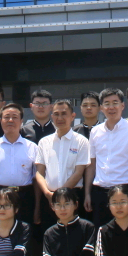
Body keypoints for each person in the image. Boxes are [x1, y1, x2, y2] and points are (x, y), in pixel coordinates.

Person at [84, 88, 128, 226]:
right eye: (107, 103)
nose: (111, 107)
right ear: (101, 108)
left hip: (125, 190)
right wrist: (87, 193)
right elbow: (91, 164)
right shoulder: (95, 131)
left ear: (122, 105)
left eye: (115, 103)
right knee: (101, 232)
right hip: (100, 192)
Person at [0, 102, 41, 227]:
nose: (10, 120)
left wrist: (37, 207)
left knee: (24, 235)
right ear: (1, 121)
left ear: (21, 121)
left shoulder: (32, 147)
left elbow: (36, 180)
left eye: (14, 117)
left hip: (24, 199)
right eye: (6, 117)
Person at [34, 98, 90, 235]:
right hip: (48, 198)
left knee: (74, 236)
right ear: (52, 116)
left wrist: (60, 196)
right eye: (56, 114)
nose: (60, 118)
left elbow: (78, 173)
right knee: (50, 236)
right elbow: (39, 173)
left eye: (64, 114)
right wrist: (48, 194)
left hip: (72, 196)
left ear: (72, 116)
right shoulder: (44, 142)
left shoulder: (81, 141)